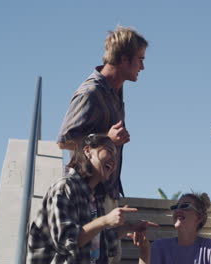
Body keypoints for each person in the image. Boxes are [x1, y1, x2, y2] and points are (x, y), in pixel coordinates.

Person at [57, 26, 148, 262]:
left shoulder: (115, 92)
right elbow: (65, 140)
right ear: (124, 59)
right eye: (140, 60)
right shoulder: (90, 92)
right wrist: (107, 139)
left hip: (105, 192)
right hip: (84, 195)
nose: (143, 67)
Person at [27, 134, 158, 264]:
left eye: (116, 157)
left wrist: (129, 227)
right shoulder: (64, 187)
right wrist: (105, 221)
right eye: (110, 151)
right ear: (88, 151)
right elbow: (65, 240)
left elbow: (101, 242)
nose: (114, 160)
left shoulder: (95, 198)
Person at [130, 192, 211, 264]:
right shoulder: (159, 247)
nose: (178, 210)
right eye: (175, 207)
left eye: (185, 206)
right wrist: (144, 250)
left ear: (199, 217)